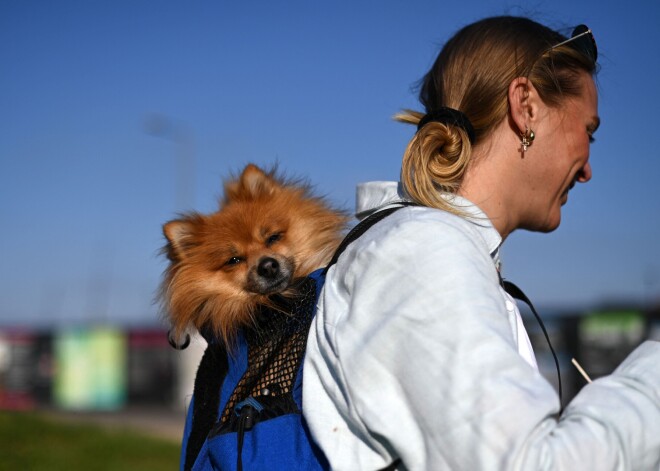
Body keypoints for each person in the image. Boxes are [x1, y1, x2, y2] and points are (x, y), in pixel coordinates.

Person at [302, 16, 660, 470]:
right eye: (588, 131)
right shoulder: (422, 253)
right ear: (525, 105)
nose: (588, 168)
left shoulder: (435, 251)